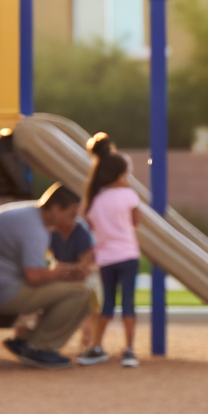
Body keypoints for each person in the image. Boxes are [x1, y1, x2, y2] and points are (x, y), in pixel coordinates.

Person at [0, 184, 96, 369]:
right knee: (82, 291)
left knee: (63, 289)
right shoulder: (36, 229)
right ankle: (40, 348)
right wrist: (62, 271)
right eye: (71, 214)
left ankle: (25, 341)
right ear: (56, 208)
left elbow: (34, 272)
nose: (73, 221)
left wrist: (60, 271)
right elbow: (34, 276)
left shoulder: (26, 215)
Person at [84, 133, 144, 368]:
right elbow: (136, 221)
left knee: (107, 303)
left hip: (105, 258)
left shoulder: (94, 200)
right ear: (120, 175)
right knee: (128, 303)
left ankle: (97, 346)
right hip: (128, 255)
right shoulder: (128, 194)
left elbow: (90, 225)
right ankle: (129, 349)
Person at [44, 199, 103, 362]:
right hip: (65, 273)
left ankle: (89, 340)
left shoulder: (82, 232)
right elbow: (48, 264)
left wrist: (63, 269)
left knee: (91, 292)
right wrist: (65, 270)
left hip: (82, 274)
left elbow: (85, 268)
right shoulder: (52, 232)